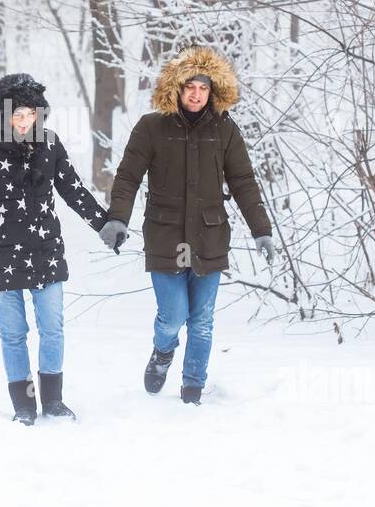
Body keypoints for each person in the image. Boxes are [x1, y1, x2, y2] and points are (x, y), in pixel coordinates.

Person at [98, 46, 274, 405]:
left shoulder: (224, 129)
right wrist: (117, 218)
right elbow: (128, 176)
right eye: (190, 86)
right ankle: (163, 352)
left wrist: (261, 229)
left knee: (203, 320)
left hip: (210, 237)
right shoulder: (151, 127)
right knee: (172, 316)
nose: (196, 94)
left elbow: (243, 181)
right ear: (177, 88)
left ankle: (192, 386)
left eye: (203, 88)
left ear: (213, 92)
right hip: (165, 236)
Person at [0, 73, 122, 425]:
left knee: (52, 327)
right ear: (3, 114)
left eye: (31, 114)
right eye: (17, 114)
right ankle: (24, 405)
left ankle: (52, 401)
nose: (24, 121)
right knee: (14, 333)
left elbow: (73, 189)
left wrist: (103, 224)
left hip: (45, 249)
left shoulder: (49, 144)